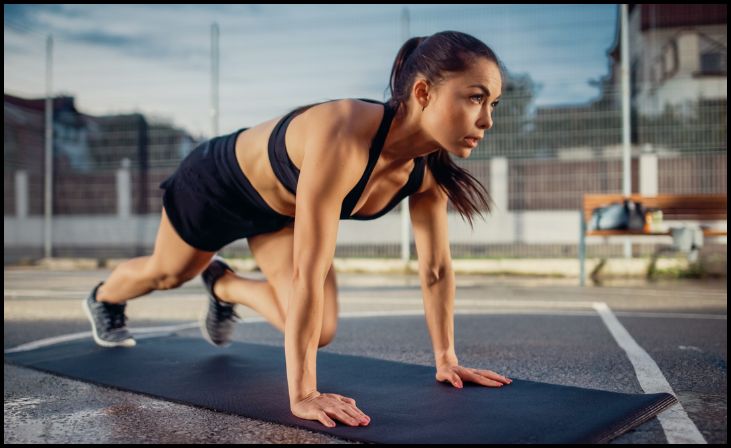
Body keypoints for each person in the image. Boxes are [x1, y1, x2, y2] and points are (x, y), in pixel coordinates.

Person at [82, 30, 513, 429]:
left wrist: (446, 359)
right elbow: (308, 272)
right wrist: (304, 393)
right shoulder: (342, 133)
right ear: (423, 92)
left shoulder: (425, 175)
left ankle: (223, 285)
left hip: (279, 214)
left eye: (492, 104)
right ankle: (104, 298)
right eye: (475, 98)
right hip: (217, 186)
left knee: (319, 331)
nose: (487, 120)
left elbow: (435, 270)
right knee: (168, 273)